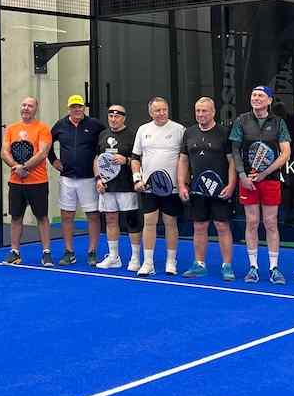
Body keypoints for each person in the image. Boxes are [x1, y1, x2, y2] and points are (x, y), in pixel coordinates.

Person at [229, 85, 291, 283]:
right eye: (254, 95)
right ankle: (253, 267)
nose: (256, 98)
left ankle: (274, 268)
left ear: (269, 100)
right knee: (252, 222)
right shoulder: (241, 120)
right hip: (248, 181)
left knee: (271, 223)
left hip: (270, 180)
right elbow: (235, 150)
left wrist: (265, 173)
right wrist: (242, 175)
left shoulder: (279, 122)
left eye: (260, 95)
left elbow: (286, 153)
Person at [179, 97, 238, 279]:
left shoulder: (224, 133)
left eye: (204, 110)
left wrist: (231, 185)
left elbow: (232, 161)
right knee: (199, 226)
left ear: (213, 112)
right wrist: (181, 184)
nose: (200, 114)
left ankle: (227, 266)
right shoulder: (189, 133)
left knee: (222, 226)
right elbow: (183, 160)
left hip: (220, 190)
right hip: (197, 190)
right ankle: (199, 264)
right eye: (198, 110)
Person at [132, 97, 186, 276]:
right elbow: (135, 158)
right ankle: (148, 263)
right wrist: (137, 179)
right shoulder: (143, 130)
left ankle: (171, 261)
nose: (162, 113)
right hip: (148, 187)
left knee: (170, 222)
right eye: (157, 110)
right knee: (149, 222)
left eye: (164, 109)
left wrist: (182, 183)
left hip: (172, 188)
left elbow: (185, 159)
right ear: (150, 112)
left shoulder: (179, 130)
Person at [50, 95, 106, 265]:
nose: (77, 110)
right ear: (69, 109)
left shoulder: (94, 125)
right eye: (73, 107)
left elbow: (107, 141)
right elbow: (47, 143)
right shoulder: (60, 125)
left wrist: (103, 165)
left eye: (79, 106)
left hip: (89, 178)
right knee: (67, 215)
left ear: (84, 108)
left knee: (93, 215)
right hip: (67, 178)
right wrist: (53, 160)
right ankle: (69, 252)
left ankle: (92, 252)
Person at [1, 96, 54, 266]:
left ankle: (46, 253)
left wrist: (24, 167)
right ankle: (14, 252)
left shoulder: (43, 129)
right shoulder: (11, 129)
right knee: (16, 217)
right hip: (16, 182)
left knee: (42, 217)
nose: (26, 108)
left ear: (35, 109)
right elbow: (4, 152)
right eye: (23, 105)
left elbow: (42, 153)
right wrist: (16, 167)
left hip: (38, 182)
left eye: (30, 106)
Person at [94, 103, 141, 271]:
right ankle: (114, 257)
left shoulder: (133, 136)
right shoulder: (102, 135)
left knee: (131, 220)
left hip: (127, 185)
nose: (113, 119)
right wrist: (98, 179)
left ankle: (135, 258)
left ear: (124, 118)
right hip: (107, 187)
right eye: (111, 116)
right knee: (110, 219)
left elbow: (140, 159)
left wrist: (126, 160)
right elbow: (97, 159)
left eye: (117, 116)